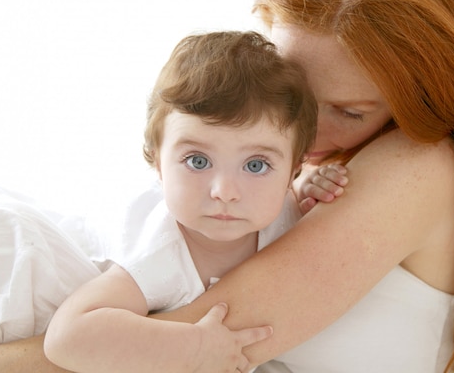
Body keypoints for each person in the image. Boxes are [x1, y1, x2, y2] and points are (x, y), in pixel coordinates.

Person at [0, 0, 454, 372]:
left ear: (421, 98)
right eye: (293, 97)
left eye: (347, 111)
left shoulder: (416, 165)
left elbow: (179, 345)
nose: (301, 131)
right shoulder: (272, 172)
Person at [41, 30, 319, 373]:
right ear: (157, 163)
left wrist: (312, 188)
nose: (224, 191)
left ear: (293, 170)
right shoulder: (161, 254)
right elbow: (65, 339)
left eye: (256, 165)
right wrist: (193, 347)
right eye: (198, 161)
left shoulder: (290, 205)